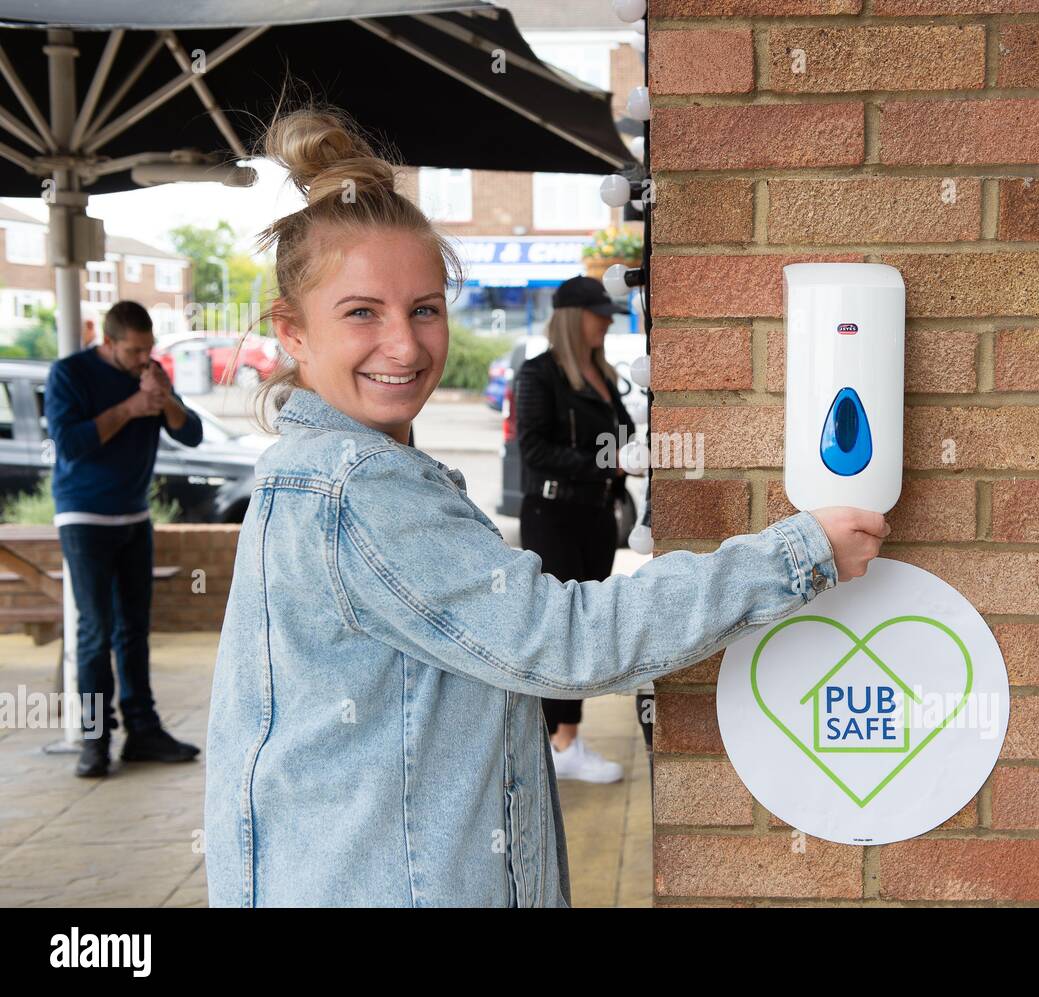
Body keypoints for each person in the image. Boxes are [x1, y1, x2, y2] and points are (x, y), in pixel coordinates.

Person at [203, 105, 890, 907]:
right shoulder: (356, 487)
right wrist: (796, 557)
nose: (406, 344)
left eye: (425, 309)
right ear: (292, 331)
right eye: (362, 312)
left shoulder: (314, 470)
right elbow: (564, 640)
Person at [44, 300, 205, 777]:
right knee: (95, 632)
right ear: (109, 343)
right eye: (134, 351)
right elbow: (70, 444)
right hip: (84, 517)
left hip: (134, 517)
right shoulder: (69, 374)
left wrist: (165, 399)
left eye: (148, 349)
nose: (143, 359)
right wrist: (133, 407)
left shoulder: (149, 373)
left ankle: (143, 731)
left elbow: (191, 434)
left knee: (133, 630)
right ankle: (95, 741)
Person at [514, 275, 637, 783]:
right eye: (599, 313)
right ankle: (561, 740)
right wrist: (607, 465)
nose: (608, 320)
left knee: (584, 628)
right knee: (561, 629)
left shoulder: (601, 373)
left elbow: (620, 433)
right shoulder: (540, 374)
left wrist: (625, 455)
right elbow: (534, 449)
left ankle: (564, 737)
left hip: (595, 516)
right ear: (573, 318)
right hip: (553, 516)